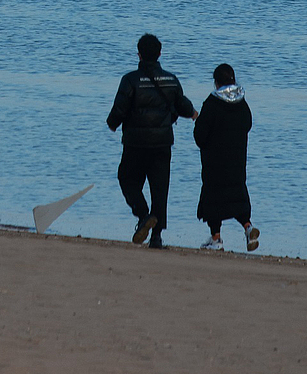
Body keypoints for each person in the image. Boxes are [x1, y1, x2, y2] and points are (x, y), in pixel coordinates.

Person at [106, 33, 197, 247]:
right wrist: (194, 114)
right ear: (159, 54)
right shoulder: (171, 79)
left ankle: (143, 214)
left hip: (135, 142)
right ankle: (156, 237)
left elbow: (120, 109)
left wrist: (112, 123)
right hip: (162, 142)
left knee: (127, 179)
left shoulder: (130, 80)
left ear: (138, 54)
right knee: (160, 188)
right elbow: (183, 106)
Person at [193, 64, 259, 252]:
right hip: (237, 159)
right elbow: (248, 124)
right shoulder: (242, 103)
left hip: (214, 161)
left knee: (214, 199)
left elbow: (200, 136)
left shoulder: (212, 104)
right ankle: (248, 227)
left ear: (216, 82)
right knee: (238, 195)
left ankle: (216, 239)